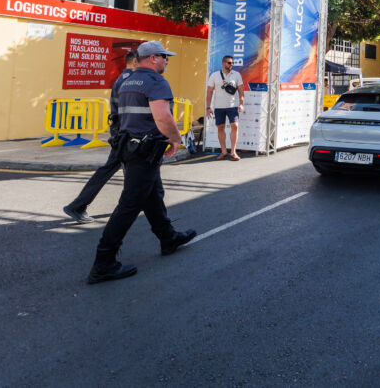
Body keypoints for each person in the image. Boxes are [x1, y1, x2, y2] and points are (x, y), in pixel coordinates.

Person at [87, 40, 196, 284]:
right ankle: (103, 263)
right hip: (144, 151)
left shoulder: (126, 81)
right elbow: (163, 117)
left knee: (153, 195)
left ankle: (168, 238)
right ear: (153, 58)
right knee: (129, 205)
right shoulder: (156, 81)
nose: (167, 60)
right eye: (164, 56)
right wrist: (175, 139)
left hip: (129, 148)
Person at [63, 49, 139, 223]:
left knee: (129, 170)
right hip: (124, 133)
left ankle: (134, 203)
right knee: (112, 169)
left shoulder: (124, 78)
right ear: (135, 61)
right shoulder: (130, 80)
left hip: (122, 131)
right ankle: (77, 206)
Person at [205, 55, 245, 160]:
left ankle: (233, 152)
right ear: (223, 63)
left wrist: (241, 103)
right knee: (220, 127)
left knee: (235, 126)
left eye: (232, 63)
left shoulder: (236, 74)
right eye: (229, 63)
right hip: (219, 107)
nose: (231, 65)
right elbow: (209, 91)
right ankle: (223, 151)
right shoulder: (214, 75)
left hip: (232, 106)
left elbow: (241, 90)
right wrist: (208, 107)